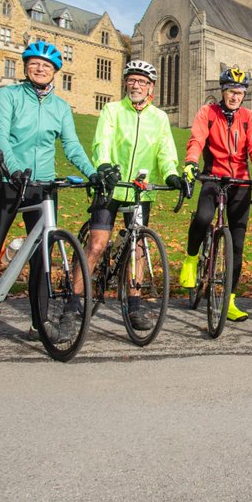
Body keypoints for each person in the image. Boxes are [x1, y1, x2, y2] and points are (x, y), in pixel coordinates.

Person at [0, 41, 99, 345]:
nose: (40, 69)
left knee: (42, 257)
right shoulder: (8, 96)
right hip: (7, 182)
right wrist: (12, 170)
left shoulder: (61, 107)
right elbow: (0, 135)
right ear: (26, 67)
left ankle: (40, 324)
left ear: (55, 71)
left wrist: (91, 173)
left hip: (42, 187)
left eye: (47, 65)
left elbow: (72, 145)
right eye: (34, 63)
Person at [83, 60, 184, 333]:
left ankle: (135, 304)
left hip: (140, 192)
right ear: (126, 83)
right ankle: (73, 303)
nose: (136, 85)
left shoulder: (159, 118)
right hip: (110, 187)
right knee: (97, 246)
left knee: (138, 247)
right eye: (132, 80)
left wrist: (171, 174)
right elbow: (101, 141)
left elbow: (165, 152)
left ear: (151, 87)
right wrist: (104, 165)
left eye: (142, 81)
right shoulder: (112, 110)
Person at [178, 66, 252, 322]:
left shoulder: (249, 117)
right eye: (230, 91)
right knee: (204, 218)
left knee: (237, 243)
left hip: (239, 181)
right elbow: (196, 139)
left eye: (239, 92)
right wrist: (191, 162)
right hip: (213, 177)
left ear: (244, 94)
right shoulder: (208, 112)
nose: (235, 96)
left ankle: (230, 301)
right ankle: (192, 259)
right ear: (223, 91)